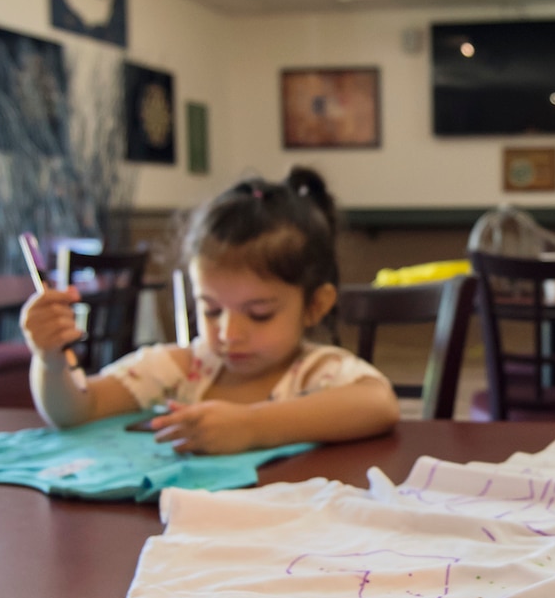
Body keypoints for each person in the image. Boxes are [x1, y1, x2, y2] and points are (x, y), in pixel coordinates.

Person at [22, 167, 398, 453]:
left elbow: (379, 404)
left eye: (259, 313)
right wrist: (51, 361)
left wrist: (252, 426)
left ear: (315, 306)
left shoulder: (317, 373)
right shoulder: (180, 370)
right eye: (212, 310)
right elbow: (76, 413)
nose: (229, 333)